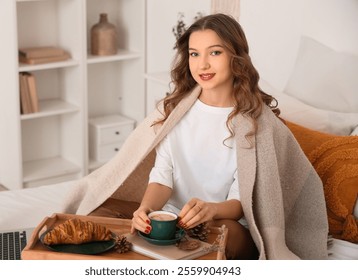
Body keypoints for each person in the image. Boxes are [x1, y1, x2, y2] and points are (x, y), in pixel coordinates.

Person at [62, 13, 329, 260]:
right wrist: (144, 210)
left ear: (236, 57)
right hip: (175, 218)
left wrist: (210, 210)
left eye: (215, 52)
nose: (202, 64)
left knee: (223, 232)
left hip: (227, 223)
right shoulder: (175, 111)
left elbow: (241, 201)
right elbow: (162, 175)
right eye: (194, 53)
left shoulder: (257, 122)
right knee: (96, 212)